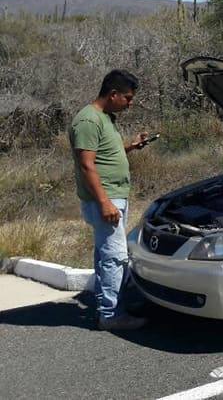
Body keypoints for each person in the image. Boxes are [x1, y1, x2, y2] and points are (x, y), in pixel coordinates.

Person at [70, 70, 152, 331]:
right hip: (104, 200)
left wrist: (131, 147)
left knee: (106, 253)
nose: (130, 103)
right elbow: (87, 165)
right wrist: (105, 202)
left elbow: (105, 154)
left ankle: (108, 306)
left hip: (113, 196)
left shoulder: (104, 118)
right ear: (113, 94)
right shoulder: (88, 120)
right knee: (115, 257)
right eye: (127, 98)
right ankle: (112, 314)